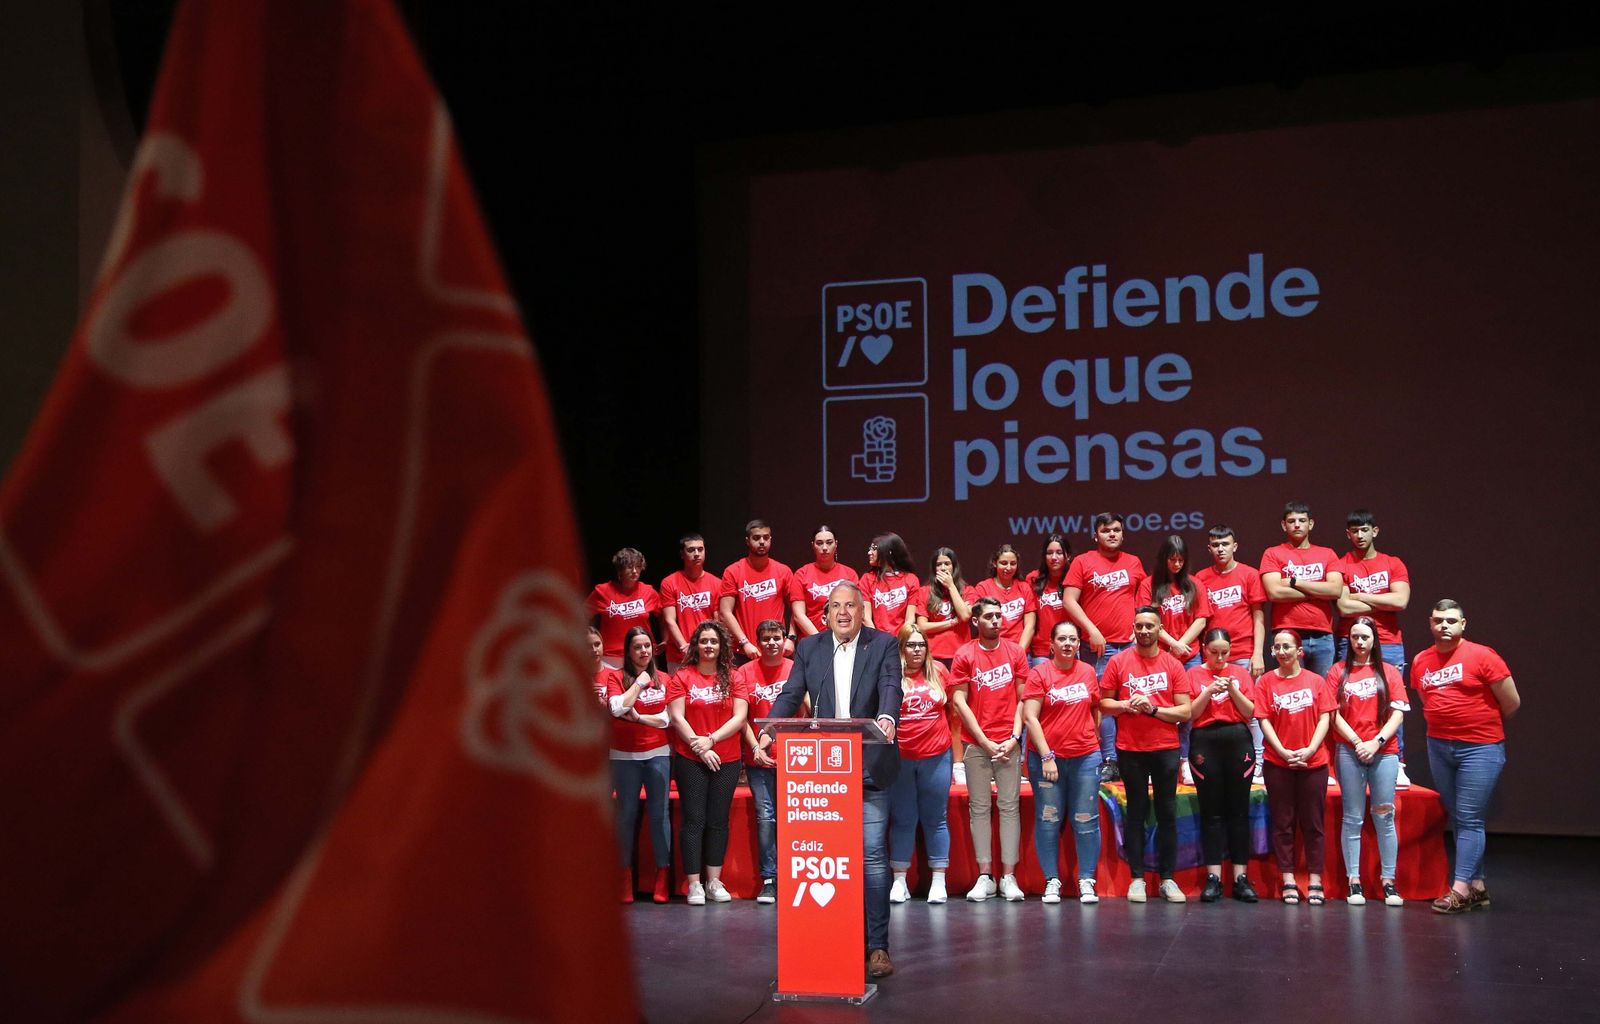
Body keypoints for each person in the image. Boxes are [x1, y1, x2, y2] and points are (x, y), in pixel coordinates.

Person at [767, 582, 902, 979]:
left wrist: (887, 718)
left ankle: (877, 946)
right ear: (825, 614)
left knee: (872, 855)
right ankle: (839, 940)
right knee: (832, 860)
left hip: (870, 765)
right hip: (825, 773)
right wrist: (768, 730)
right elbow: (792, 693)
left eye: (850, 606)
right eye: (835, 606)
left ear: (862, 611)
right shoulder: (810, 648)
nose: (843, 613)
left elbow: (890, 686)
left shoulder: (883, 644)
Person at [1410, 599, 1521, 913]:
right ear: (1430, 623)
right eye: (1438, 620)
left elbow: (1511, 702)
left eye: (1450, 620)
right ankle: (1477, 886)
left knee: (1470, 817)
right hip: (1439, 746)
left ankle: (1459, 889)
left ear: (1462, 624)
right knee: (1460, 816)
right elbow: (1426, 699)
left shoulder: (1483, 656)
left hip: (1480, 748)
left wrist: (1477, 725)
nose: (1444, 625)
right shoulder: (1421, 660)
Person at [1099, 606, 1193, 903]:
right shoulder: (1118, 661)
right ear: (1133, 628)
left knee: (1167, 814)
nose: (1144, 631)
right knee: (1136, 813)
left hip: (1165, 749)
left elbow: (1185, 711)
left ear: (1159, 629)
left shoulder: (1172, 664)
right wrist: (1126, 705)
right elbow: (1104, 704)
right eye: (1139, 626)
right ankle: (1137, 879)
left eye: (1150, 626)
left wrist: (1153, 709)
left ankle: (1168, 879)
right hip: (1130, 749)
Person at [666, 620, 751, 906]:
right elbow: (677, 717)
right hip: (691, 758)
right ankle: (694, 884)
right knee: (693, 820)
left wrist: (711, 740)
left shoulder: (734, 676)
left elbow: (740, 717)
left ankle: (714, 881)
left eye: (714, 641)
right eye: (704, 641)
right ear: (696, 645)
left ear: (722, 645)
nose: (709, 645)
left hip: (727, 758)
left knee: (717, 820)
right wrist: (700, 748)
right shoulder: (682, 676)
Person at [949, 596, 1029, 902]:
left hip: (1008, 743)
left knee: (1009, 807)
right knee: (979, 808)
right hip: (976, 744)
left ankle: (1008, 876)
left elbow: (1024, 698)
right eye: (989, 616)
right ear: (975, 621)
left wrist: (1015, 737)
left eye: (999, 615)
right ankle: (985, 876)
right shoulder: (964, 653)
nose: (996, 620)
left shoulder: (1016, 652)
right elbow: (959, 700)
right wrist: (983, 740)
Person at [1022, 620, 1104, 905]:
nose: (1068, 644)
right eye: (1062, 639)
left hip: (1085, 758)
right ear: (1052, 644)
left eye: (1073, 639)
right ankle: (1051, 880)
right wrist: (1047, 756)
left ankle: (1087, 880)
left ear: (1079, 644)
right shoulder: (1039, 673)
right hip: (1047, 760)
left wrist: (1091, 738)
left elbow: (1095, 708)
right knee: (1048, 819)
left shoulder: (1088, 672)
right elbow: (1030, 717)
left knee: (1086, 819)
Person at [1328, 617, 1407, 907]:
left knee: (1384, 815)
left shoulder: (1389, 672)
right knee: (1352, 817)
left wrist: (1376, 742)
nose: (1360, 642)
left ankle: (1389, 881)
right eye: (1355, 637)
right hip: (1350, 751)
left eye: (1365, 637)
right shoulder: (1338, 671)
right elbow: (1333, 714)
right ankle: (1354, 881)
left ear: (1374, 639)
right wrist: (1358, 742)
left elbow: (1398, 713)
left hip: (1384, 751)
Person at [1064, 513, 1148, 781]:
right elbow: (1069, 600)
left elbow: (1142, 597)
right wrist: (1091, 630)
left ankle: (1135, 758)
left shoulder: (1133, 562)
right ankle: (1109, 760)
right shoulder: (1083, 561)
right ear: (1095, 535)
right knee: (1106, 705)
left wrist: (1139, 626)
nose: (1112, 534)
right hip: (1099, 647)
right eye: (1105, 530)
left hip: (1130, 645)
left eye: (1116, 530)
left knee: (1135, 701)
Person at [1257, 628, 1337, 906]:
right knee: (1283, 823)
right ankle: (1288, 879)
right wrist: (1282, 750)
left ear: (1300, 652)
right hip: (1278, 763)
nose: (1281, 652)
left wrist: (1311, 749)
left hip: (1313, 763)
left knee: (1313, 824)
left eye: (1286, 647)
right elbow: (1264, 719)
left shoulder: (1316, 681)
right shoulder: (1266, 682)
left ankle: (1315, 880)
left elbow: (1325, 717)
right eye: (1276, 647)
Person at [1334, 508, 1413, 786]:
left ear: (1374, 531)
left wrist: (1360, 595)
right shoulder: (1341, 564)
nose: (1359, 535)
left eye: (1364, 530)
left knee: (1392, 702)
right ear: (1348, 534)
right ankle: (1349, 757)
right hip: (1349, 640)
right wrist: (1382, 599)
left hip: (1389, 642)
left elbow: (1400, 601)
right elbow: (1344, 607)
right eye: (1354, 531)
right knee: (1349, 702)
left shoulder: (1393, 563)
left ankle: (1397, 761)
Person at [1186, 627, 1261, 903]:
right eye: (1214, 652)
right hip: (1205, 742)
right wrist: (1208, 691)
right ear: (1204, 649)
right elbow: (1190, 714)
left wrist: (1232, 690)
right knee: (1211, 812)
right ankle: (1213, 877)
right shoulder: (1193, 674)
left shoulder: (1239, 673)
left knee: (1239, 811)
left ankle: (1241, 878)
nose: (1219, 658)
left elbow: (1251, 712)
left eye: (1224, 653)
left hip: (1237, 741)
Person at [604, 626, 673, 904]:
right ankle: (624, 879)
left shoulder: (665, 678)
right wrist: (640, 684)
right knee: (626, 816)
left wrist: (640, 718)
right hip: (623, 757)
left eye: (647, 646)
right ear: (628, 651)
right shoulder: (615, 676)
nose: (643, 651)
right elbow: (616, 708)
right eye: (637, 647)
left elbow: (667, 719)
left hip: (658, 753)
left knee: (659, 816)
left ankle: (662, 877)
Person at [1136, 533, 1212, 785]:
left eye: (1181, 560)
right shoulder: (1148, 585)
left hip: (1189, 656)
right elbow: (1147, 620)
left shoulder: (1195, 583)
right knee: (1154, 707)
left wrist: (1182, 645)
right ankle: (1150, 762)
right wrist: (1173, 644)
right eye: (1172, 559)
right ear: (1163, 559)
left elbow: (1201, 619)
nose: (1177, 564)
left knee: (1187, 712)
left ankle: (1185, 761)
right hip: (1158, 655)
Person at [1193, 524, 1268, 778]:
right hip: (1211, 656)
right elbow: (1201, 618)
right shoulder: (1201, 578)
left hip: (1244, 653)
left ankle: (1258, 760)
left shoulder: (1249, 574)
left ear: (1235, 546)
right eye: (1215, 545)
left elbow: (1258, 616)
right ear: (1209, 548)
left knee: (1251, 712)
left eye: (1225, 544)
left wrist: (1258, 653)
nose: (1220, 549)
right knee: (1210, 709)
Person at [888, 623, 954, 905]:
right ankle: (899, 881)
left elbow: (953, 714)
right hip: (901, 759)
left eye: (921, 645)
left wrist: (957, 760)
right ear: (901, 648)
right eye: (911, 645)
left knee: (936, 818)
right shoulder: (890, 675)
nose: (917, 650)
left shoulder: (939, 672)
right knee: (903, 819)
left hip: (937, 756)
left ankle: (938, 880)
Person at [737, 619, 793, 906]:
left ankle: (793, 875)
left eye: (776, 638)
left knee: (791, 818)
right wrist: (756, 747)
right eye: (766, 639)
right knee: (766, 817)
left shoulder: (796, 668)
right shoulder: (745, 672)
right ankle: (770, 879)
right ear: (757, 643)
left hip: (792, 758)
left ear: (785, 639)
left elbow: (807, 710)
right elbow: (741, 717)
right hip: (758, 758)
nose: (772, 643)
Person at [1259, 502, 1343, 677]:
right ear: (1284, 525)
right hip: (1286, 633)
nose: (1297, 525)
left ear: (1310, 524)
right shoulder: (1272, 553)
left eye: (1302, 520)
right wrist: (1318, 591)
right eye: (1291, 521)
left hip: (1322, 636)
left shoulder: (1327, 554)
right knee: (1290, 686)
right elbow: (1274, 592)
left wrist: (1294, 581)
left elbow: (1335, 590)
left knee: (1321, 689)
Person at [916, 546, 976, 786]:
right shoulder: (924, 592)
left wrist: (951, 587)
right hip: (934, 659)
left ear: (954, 567)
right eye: (939, 565)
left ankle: (958, 763)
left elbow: (966, 616)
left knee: (957, 712)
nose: (943, 568)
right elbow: (922, 626)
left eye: (947, 564)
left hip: (960, 657)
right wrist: (950, 623)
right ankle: (937, 760)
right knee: (936, 710)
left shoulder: (967, 590)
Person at [719, 519, 794, 663]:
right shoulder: (733, 571)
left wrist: (791, 638)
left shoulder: (783, 571)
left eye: (766, 537)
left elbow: (797, 610)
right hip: (745, 651)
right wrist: (744, 642)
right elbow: (725, 612)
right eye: (756, 538)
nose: (762, 542)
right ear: (747, 541)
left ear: (770, 539)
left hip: (776, 648)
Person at [586, 547, 662, 669]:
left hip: (643, 654)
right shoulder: (602, 591)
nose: (634, 571)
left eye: (638, 566)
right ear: (620, 570)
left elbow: (664, 616)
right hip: (611, 658)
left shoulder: (648, 591)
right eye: (629, 567)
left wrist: (665, 639)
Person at [660, 533, 721, 673]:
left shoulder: (716, 583)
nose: (696, 554)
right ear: (682, 554)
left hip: (708, 653)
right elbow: (669, 620)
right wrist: (685, 647)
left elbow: (717, 621)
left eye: (700, 549)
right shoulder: (669, 583)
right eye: (691, 550)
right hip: (679, 655)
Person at [789, 524, 859, 637]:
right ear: (813, 545)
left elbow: (854, 610)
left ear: (836, 544)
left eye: (829, 542)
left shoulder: (850, 574)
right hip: (811, 639)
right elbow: (798, 615)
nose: (825, 547)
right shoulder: (801, 574)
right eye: (819, 543)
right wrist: (819, 639)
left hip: (844, 638)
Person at [1025, 533, 1073, 668]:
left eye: (1059, 553)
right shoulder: (1033, 579)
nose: (1054, 557)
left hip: (1069, 646)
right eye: (1049, 553)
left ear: (1068, 556)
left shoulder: (1075, 577)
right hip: (1042, 651)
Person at [861, 533, 922, 637]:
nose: (869, 552)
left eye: (874, 549)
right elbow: (866, 618)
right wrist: (879, 641)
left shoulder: (911, 580)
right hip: (876, 639)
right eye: (870, 549)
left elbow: (910, 619)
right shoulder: (867, 579)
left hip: (901, 639)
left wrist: (899, 640)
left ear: (888, 552)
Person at [588, 626, 607, 706]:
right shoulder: (575, 679)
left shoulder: (616, 675)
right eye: (588, 646)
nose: (594, 650)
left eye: (597, 644)